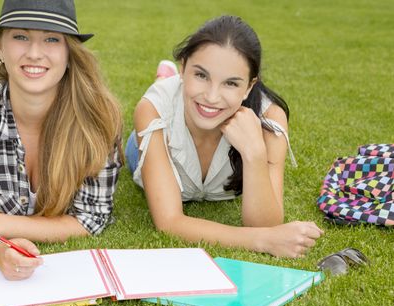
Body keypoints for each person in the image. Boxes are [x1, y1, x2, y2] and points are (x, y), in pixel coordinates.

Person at [0, 0, 122, 280]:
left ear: (69, 53)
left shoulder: (97, 118)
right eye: (20, 36)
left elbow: (92, 219)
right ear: (0, 48)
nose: (34, 53)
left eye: (51, 39)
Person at [125, 15, 322, 258]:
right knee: (141, 135)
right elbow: (169, 222)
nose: (212, 96)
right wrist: (262, 241)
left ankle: (170, 78)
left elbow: (266, 223)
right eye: (201, 75)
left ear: (249, 87)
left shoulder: (270, 120)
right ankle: (165, 81)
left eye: (230, 83)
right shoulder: (152, 110)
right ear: (184, 68)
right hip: (145, 143)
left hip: (196, 106)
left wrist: (254, 153)